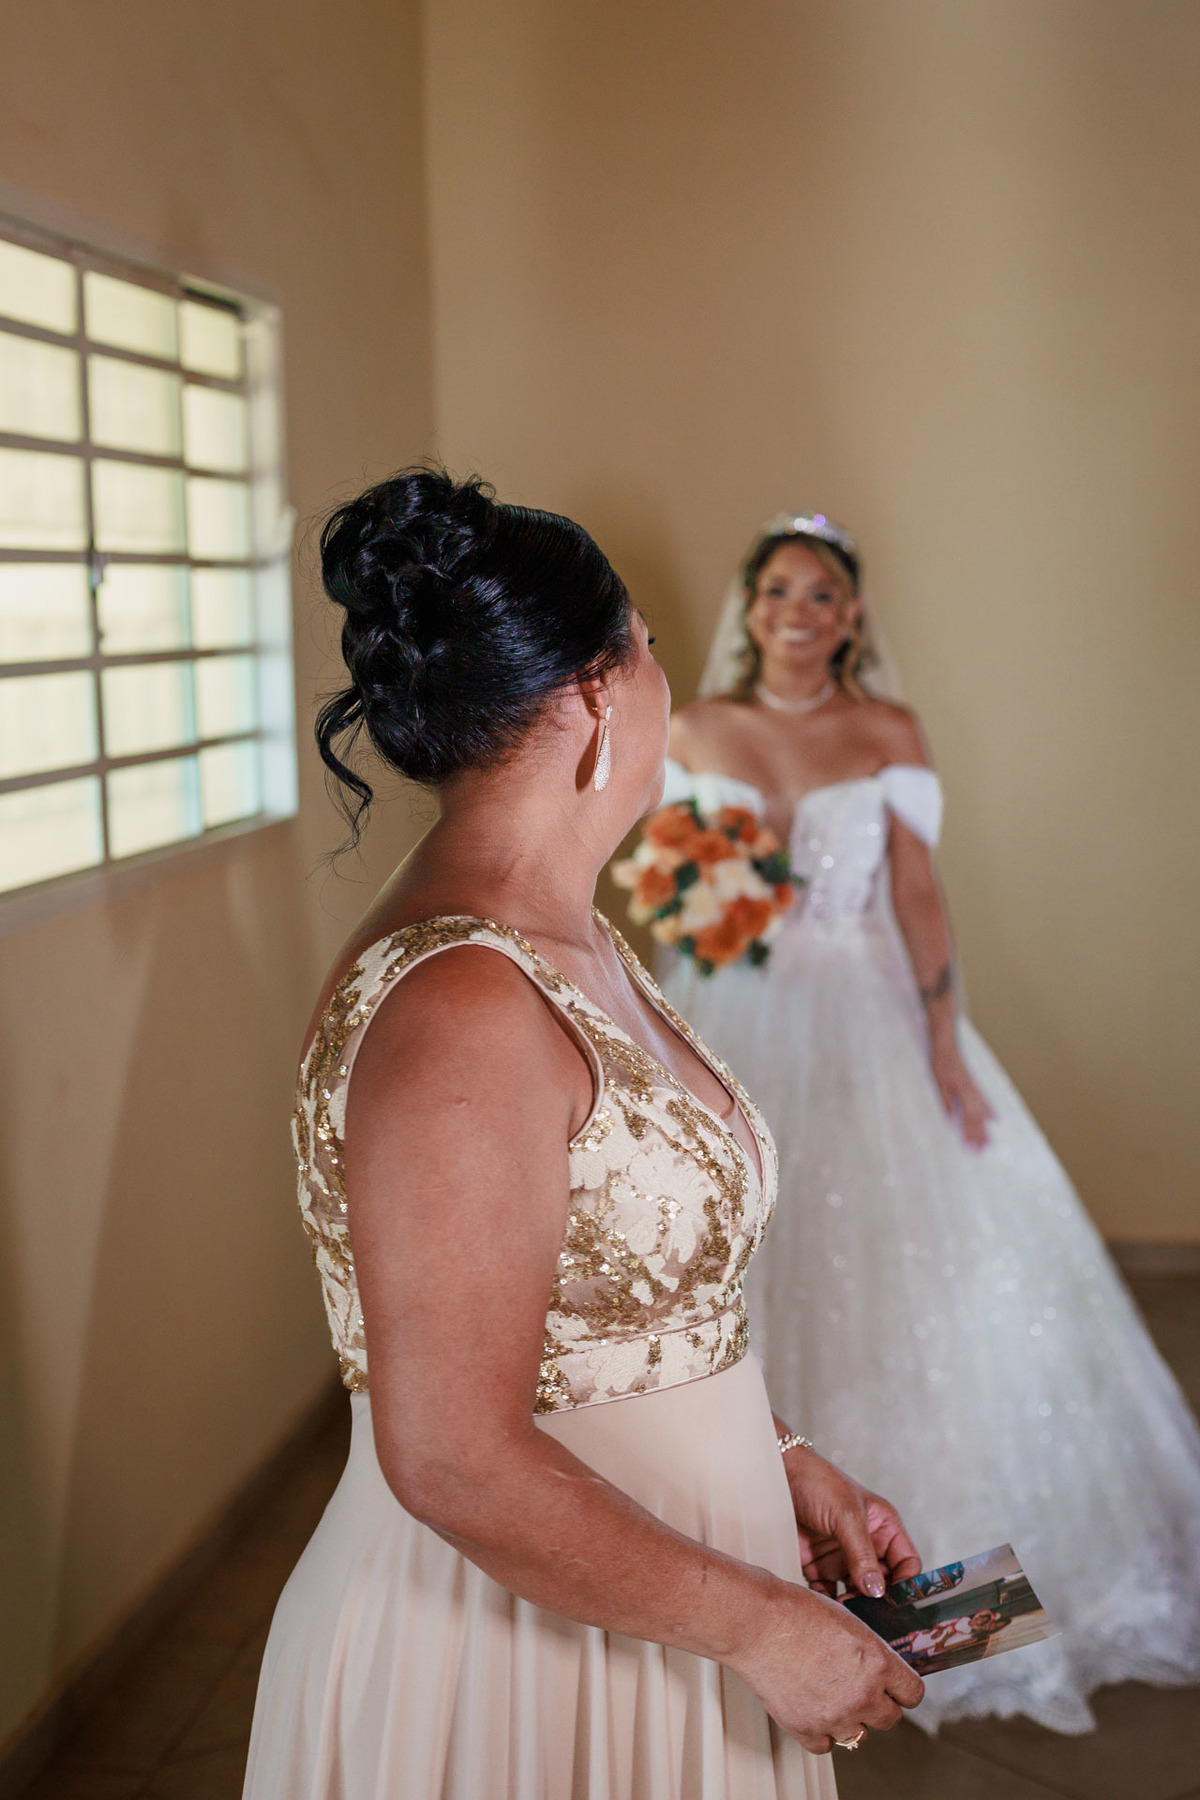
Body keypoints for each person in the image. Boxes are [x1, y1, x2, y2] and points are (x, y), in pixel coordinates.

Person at [242, 472, 927, 1800]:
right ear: (599, 692)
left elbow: (603, 1309)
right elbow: (452, 1455)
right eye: (649, 647)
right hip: (507, 1652)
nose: (668, 680)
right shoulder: (460, 1005)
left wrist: (775, 1459)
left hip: (664, 1590)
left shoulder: (570, 939)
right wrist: (766, 1628)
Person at [661, 512, 1200, 1734]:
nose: (800, 612)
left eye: (823, 594)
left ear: (852, 617)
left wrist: (945, 1041)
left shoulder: (887, 730)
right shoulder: (691, 730)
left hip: (869, 1021)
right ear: (750, 606)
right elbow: (670, 893)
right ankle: (753, 1612)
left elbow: (915, 887)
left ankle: (945, 1619)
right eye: (780, 589)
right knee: (750, 1261)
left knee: (916, 1283)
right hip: (733, 1013)